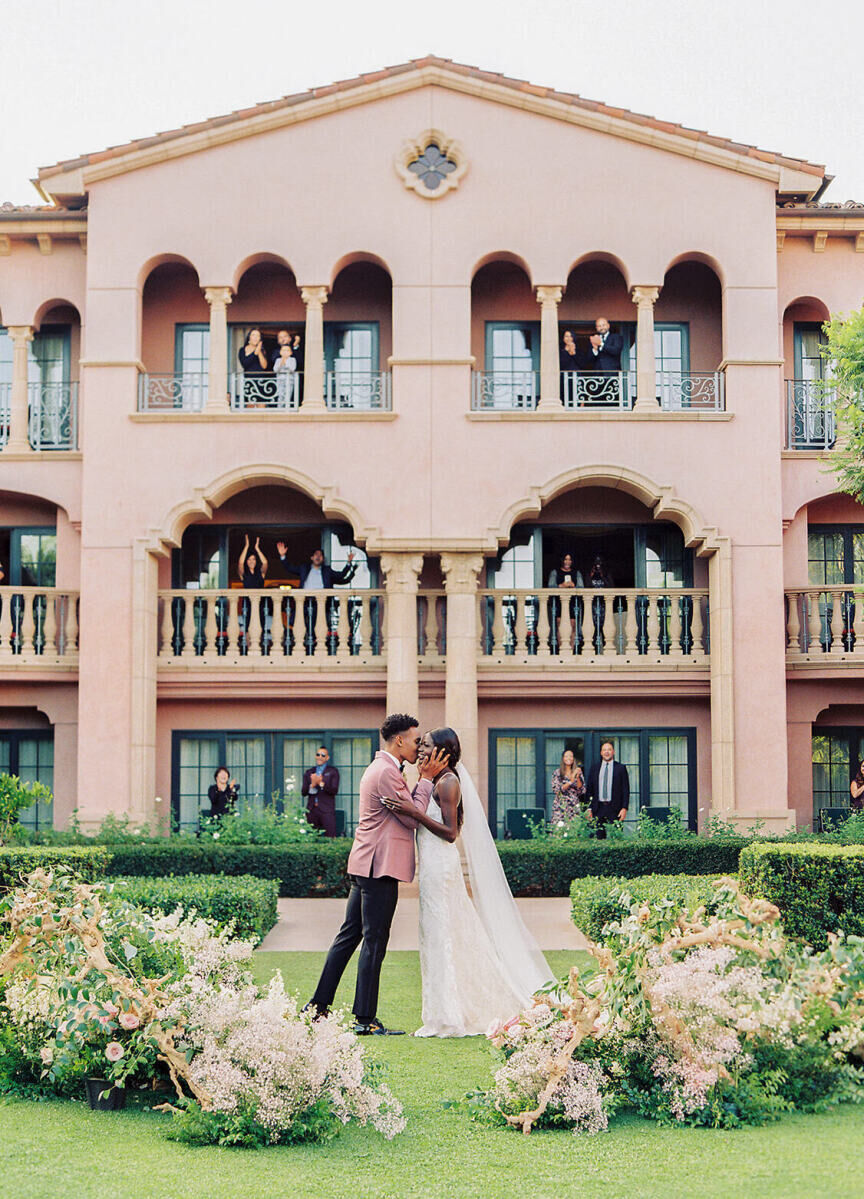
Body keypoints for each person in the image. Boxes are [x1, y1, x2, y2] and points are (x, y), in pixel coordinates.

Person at [382, 727, 552, 1037]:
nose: (421, 750)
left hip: (441, 868)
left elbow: (450, 833)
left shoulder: (448, 784)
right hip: (431, 868)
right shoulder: (434, 780)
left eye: (427, 746)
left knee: (442, 935)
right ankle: (440, 1013)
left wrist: (413, 813)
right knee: (434, 936)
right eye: (420, 745)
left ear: (444, 752)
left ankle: (449, 1018)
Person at [305, 713, 445, 1035]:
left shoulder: (383, 768)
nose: (418, 746)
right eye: (414, 739)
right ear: (399, 740)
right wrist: (424, 780)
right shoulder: (386, 773)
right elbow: (413, 818)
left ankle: (317, 1007)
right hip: (378, 868)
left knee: (349, 937)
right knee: (374, 941)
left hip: (368, 865)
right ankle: (364, 1019)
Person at [276, 544, 358, 655]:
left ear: (323, 559)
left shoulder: (327, 571)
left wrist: (349, 563)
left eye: (320, 555)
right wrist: (283, 556)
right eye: (316, 555)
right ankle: (297, 641)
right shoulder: (304, 568)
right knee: (295, 619)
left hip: (320, 603)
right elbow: (289, 568)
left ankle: (312, 644)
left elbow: (341, 575)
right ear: (312, 558)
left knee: (314, 625)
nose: (318, 557)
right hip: (304, 601)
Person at [585, 740, 630, 837]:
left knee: (617, 836)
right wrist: (589, 808)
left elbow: (625, 790)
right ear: (601, 753)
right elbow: (589, 789)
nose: (607, 752)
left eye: (609, 749)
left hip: (615, 808)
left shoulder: (621, 768)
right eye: (604, 750)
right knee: (599, 837)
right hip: (598, 808)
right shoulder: (595, 768)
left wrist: (624, 808)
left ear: (613, 752)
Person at [238, 534, 271, 653]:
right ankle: (247, 649)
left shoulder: (260, 574)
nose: (251, 561)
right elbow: (240, 563)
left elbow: (265, 563)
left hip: (260, 604)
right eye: (249, 559)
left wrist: (257, 548)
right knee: (247, 627)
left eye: (254, 559)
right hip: (247, 604)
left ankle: (259, 650)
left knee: (260, 626)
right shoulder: (244, 574)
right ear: (247, 562)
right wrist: (246, 546)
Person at [547, 552, 584, 652]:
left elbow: (582, 588)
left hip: (572, 602)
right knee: (560, 624)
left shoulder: (576, 573)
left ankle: (571, 649)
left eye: (569, 559)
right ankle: (561, 648)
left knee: (572, 624)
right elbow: (550, 587)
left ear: (572, 561)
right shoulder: (555, 572)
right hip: (559, 602)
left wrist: (574, 586)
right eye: (565, 559)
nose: (567, 561)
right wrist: (561, 585)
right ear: (562, 560)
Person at [302, 745, 340, 837]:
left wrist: (321, 783)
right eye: (318, 754)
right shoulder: (309, 772)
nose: (320, 757)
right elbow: (303, 792)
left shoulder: (332, 771)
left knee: (330, 836)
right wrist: (312, 785)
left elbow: (334, 790)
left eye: (323, 755)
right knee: (312, 837)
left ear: (327, 758)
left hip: (326, 809)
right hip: (312, 809)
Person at [551, 749, 586, 821]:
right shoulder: (557, 773)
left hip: (573, 806)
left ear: (573, 759)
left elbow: (581, 791)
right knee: (559, 830)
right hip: (560, 806)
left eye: (571, 756)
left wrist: (578, 777)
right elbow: (557, 791)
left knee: (573, 830)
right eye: (566, 756)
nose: (569, 758)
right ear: (563, 759)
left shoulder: (577, 771)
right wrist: (571, 781)